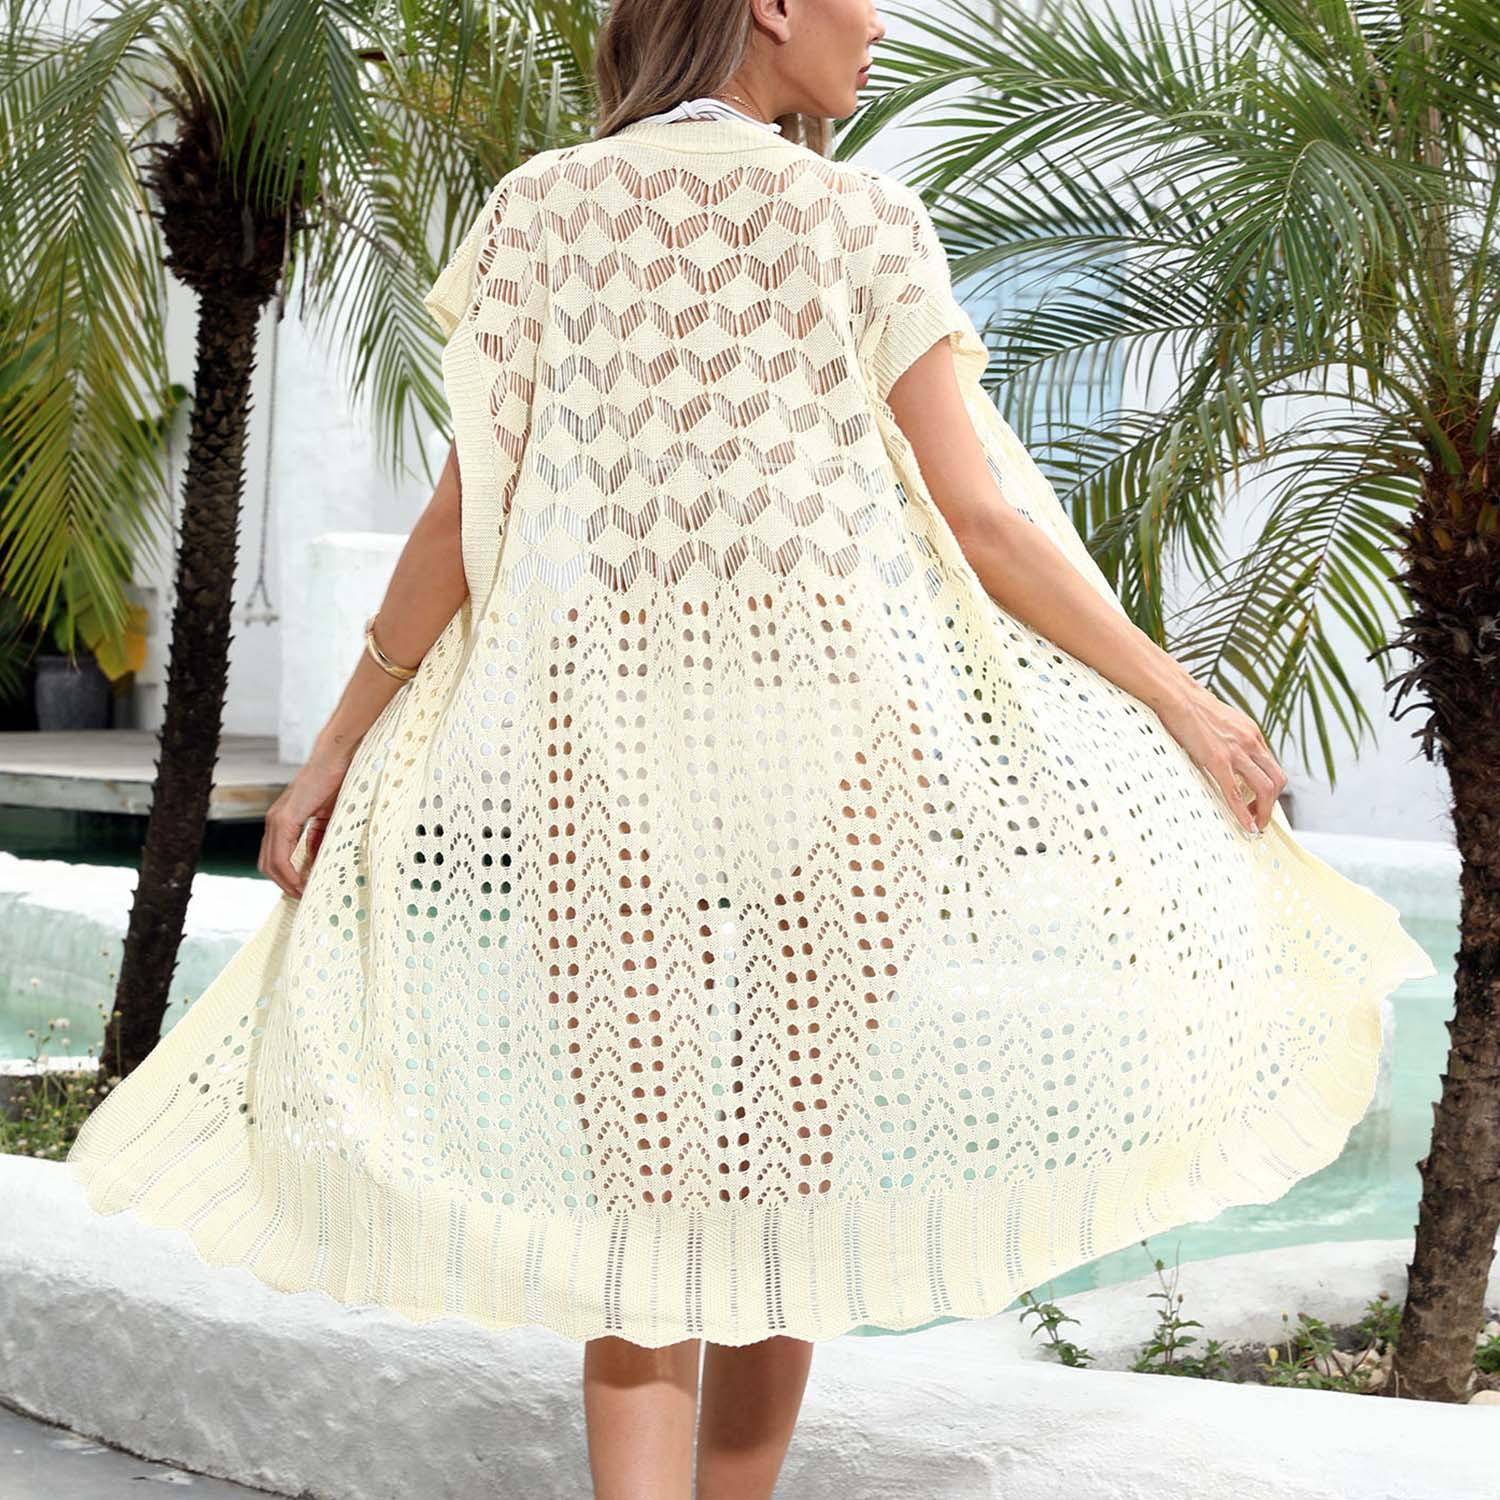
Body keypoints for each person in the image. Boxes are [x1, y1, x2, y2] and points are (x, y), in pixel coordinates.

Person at [66, 1, 1437, 1497]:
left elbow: (466, 518)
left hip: (603, 757)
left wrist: (339, 741)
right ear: (772, 5)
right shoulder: (862, 220)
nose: (879, 25)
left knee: (641, 1208)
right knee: (784, 1189)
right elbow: (982, 526)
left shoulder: (542, 210)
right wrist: (1179, 698)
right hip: (842, 753)